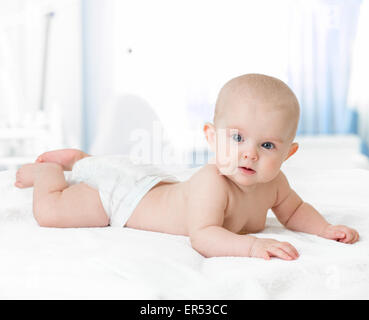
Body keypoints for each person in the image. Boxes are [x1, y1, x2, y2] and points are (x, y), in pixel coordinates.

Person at [14, 73, 359, 260]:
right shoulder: (214, 182)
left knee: (105, 167)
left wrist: (323, 229)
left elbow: (295, 211)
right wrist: (252, 247)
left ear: (288, 154)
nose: (249, 154)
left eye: (267, 145)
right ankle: (50, 173)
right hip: (124, 199)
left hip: (151, 181)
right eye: (237, 138)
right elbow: (204, 237)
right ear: (211, 137)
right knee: (52, 212)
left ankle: (83, 160)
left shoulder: (276, 183)